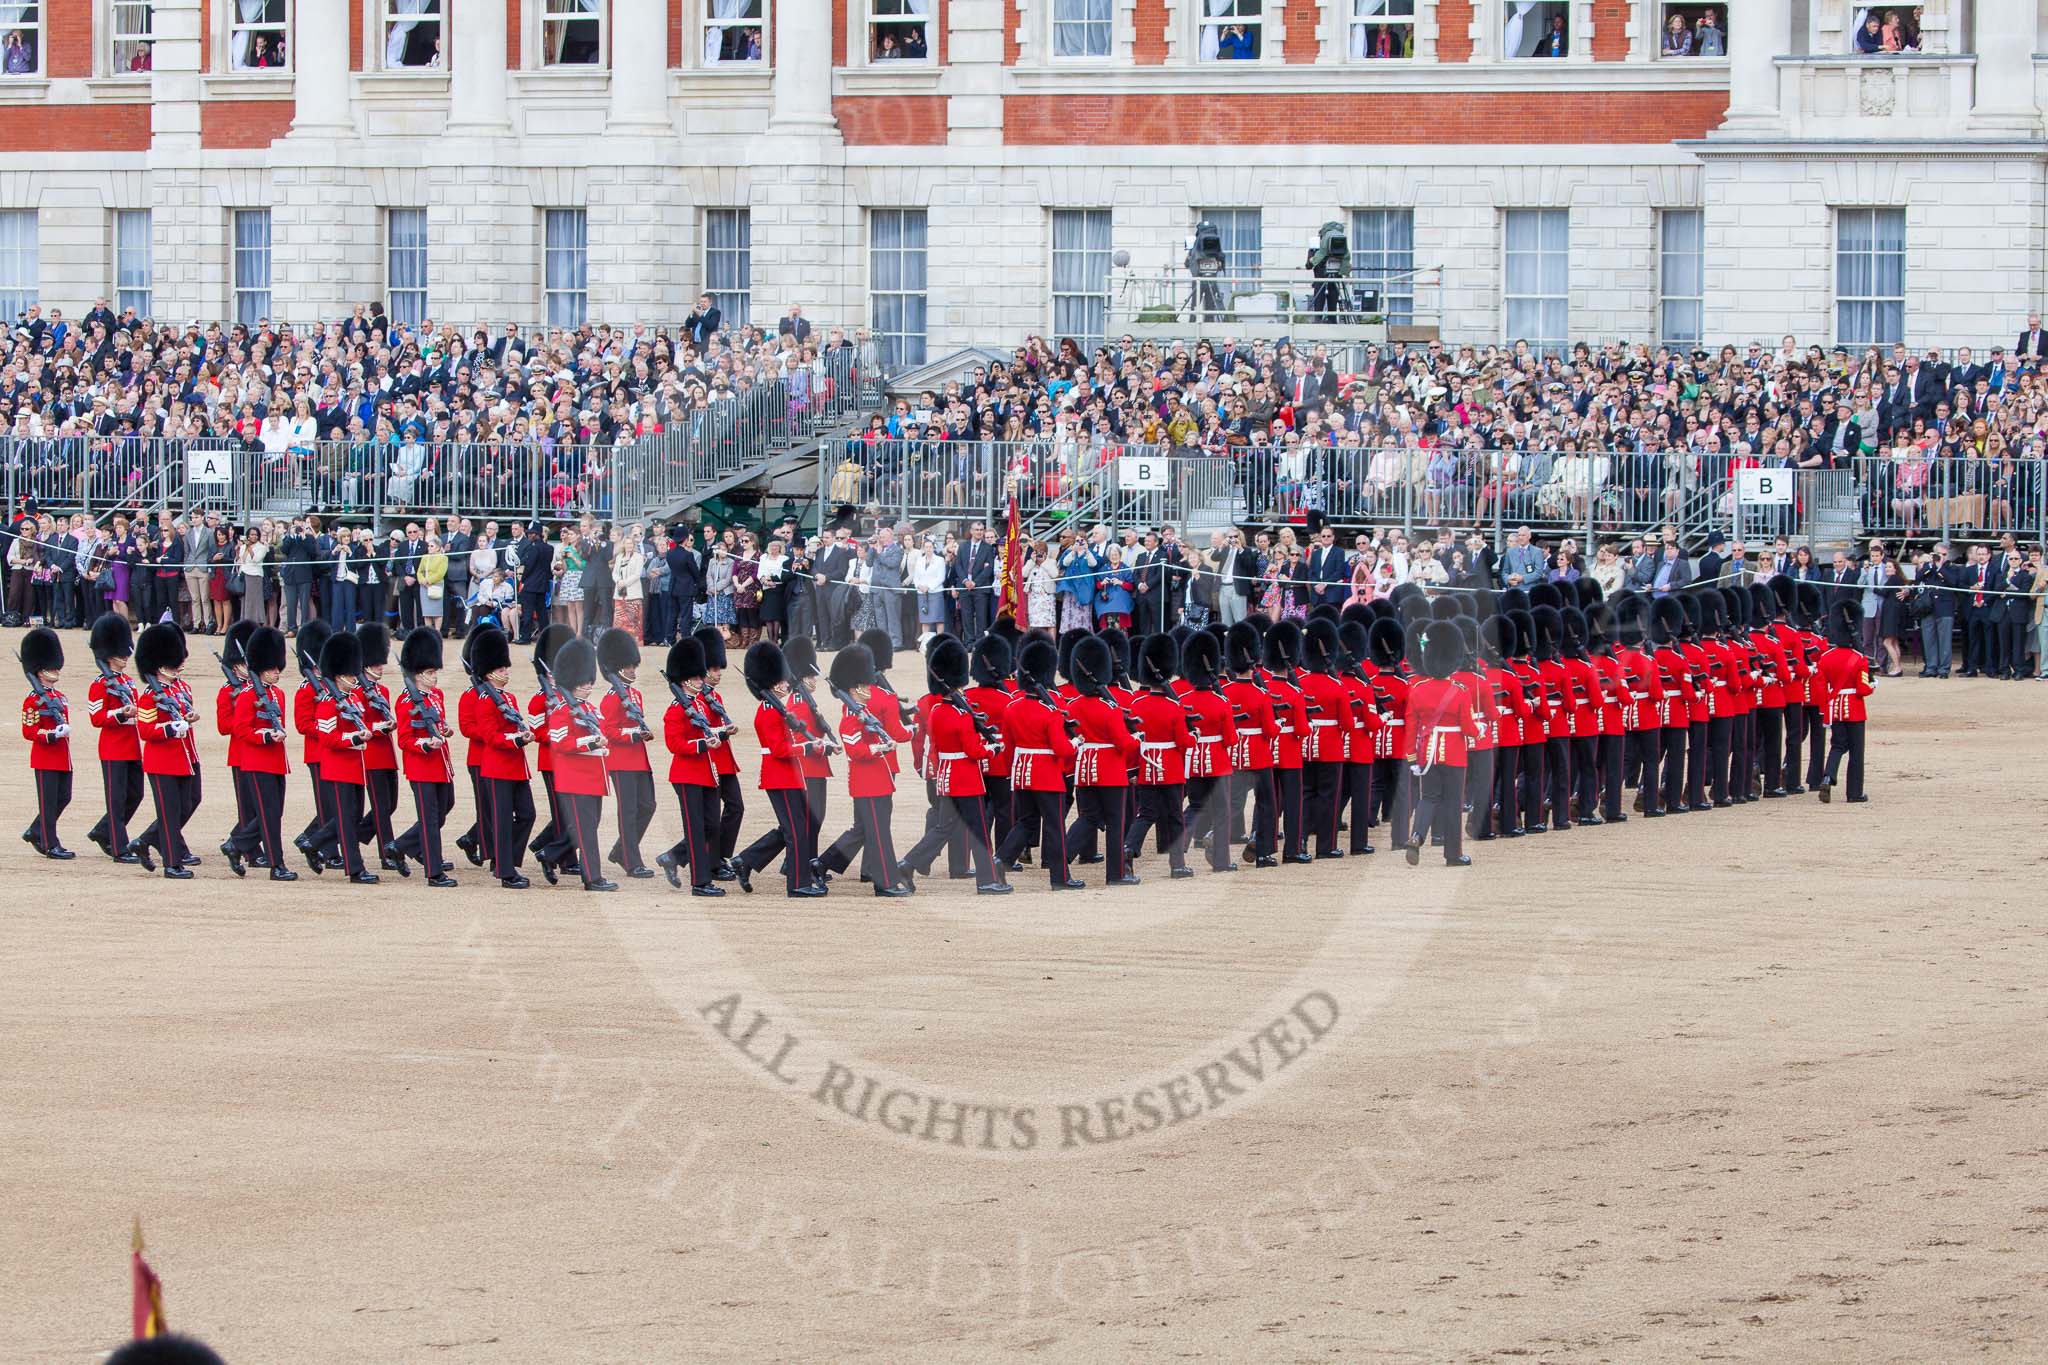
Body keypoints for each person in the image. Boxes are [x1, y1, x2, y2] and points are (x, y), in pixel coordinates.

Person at [898, 637, 1009, 894]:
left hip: (946, 776)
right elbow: (973, 751)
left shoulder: (937, 710)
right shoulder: (962, 716)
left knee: (943, 827)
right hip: (966, 779)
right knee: (980, 829)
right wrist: (993, 749)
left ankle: (907, 864)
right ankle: (987, 880)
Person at [818, 643, 913, 896]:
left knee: (869, 830)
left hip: (878, 778)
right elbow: (856, 751)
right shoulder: (852, 715)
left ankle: (821, 864)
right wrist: (882, 747)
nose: (868, 688)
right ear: (855, 687)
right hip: (866, 780)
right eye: (863, 685)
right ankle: (884, 883)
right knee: (879, 833)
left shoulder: (862, 709)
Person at [740, 640, 830, 897]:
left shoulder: (777, 709)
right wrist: (808, 748)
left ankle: (747, 862)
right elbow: (780, 750)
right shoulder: (769, 711)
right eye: (781, 680)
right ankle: (797, 884)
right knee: (795, 832)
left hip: (789, 775)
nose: (786, 683)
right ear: (771, 682)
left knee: (796, 829)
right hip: (779, 775)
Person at [992, 637, 1081, 888]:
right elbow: (1062, 748)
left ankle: (1001, 858)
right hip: (1046, 774)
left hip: (1021, 771)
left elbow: (1009, 748)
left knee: (1026, 822)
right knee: (1053, 826)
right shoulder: (1051, 711)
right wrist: (1077, 743)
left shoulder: (1012, 707)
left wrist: (1012, 772)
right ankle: (1060, 877)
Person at [654, 635, 731, 896]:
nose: (702, 680)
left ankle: (674, 858)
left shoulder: (699, 704)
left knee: (711, 825)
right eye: (697, 678)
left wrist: (720, 733)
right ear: (686, 680)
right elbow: (674, 744)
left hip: (706, 773)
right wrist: (702, 745)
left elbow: (706, 731)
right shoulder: (677, 709)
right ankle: (700, 882)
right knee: (696, 829)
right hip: (687, 775)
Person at [540, 637, 618, 891]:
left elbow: (604, 729)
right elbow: (560, 743)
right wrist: (591, 742)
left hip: (594, 776)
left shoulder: (590, 709)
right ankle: (592, 878)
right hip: (576, 778)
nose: (588, 685)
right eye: (584, 682)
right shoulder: (562, 710)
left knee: (589, 827)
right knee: (586, 831)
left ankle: (550, 854)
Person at [463, 625, 538, 888]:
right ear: (488, 671)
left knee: (528, 814)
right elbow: (491, 736)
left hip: (516, 766)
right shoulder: (484, 700)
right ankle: (506, 872)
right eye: (501, 668)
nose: (506, 672)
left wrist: (523, 734)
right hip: (496, 767)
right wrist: (516, 739)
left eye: (506, 668)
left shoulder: (511, 698)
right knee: (503, 821)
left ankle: (508, 861)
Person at [1402, 620, 1481, 867]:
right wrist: (1480, 731)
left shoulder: (1418, 690)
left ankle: (1417, 835)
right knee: (1453, 802)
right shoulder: (1460, 691)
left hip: (1428, 753)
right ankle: (1453, 854)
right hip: (1455, 752)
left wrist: (1412, 757)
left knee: (1429, 797)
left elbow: (1411, 728)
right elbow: (1468, 728)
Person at [391, 626, 459, 888]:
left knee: (443, 810)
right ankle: (434, 871)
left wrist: (444, 731)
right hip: (421, 766)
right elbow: (405, 739)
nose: (434, 677)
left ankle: (402, 845)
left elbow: (438, 723)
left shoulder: (437, 696)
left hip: (441, 765)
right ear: (417, 675)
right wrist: (425, 744)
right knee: (430, 820)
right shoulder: (406, 701)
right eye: (430, 673)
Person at [227, 625, 295, 880]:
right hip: (256, 761)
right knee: (269, 816)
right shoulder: (246, 696)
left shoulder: (277, 694)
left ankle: (236, 844)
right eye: (271, 669)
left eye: (277, 668)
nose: (276, 673)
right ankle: (277, 865)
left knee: (274, 814)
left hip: (276, 761)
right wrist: (266, 736)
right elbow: (241, 729)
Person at [133, 622, 199, 878]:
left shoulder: (178, 690)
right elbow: (146, 731)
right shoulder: (149, 697)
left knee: (183, 808)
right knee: (169, 813)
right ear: (160, 667)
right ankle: (172, 864)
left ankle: (147, 841)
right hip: (161, 762)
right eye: (172, 664)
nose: (178, 667)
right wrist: (171, 729)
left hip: (181, 757)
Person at [596, 627, 656, 879]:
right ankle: (632, 861)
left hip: (639, 759)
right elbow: (608, 730)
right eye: (629, 666)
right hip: (621, 761)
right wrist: (633, 735)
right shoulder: (611, 698)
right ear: (617, 667)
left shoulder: (635, 694)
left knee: (648, 806)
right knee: (628, 811)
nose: (633, 670)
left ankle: (621, 850)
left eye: (633, 665)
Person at [84, 613, 144, 863]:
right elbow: (96, 717)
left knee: (135, 794)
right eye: (121, 655)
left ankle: (102, 831)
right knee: (117, 799)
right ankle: (120, 847)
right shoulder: (100, 685)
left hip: (131, 745)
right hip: (112, 748)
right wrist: (120, 713)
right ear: (109, 656)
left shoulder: (127, 682)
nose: (126, 659)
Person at [354, 624, 406, 876]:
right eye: (375, 664)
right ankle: (387, 853)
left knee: (390, 805)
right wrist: (378, 727)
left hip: (387, 754)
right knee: (382, 807)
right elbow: (357, 722)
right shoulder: (357, 691)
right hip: (371, 755)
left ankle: (350, 836)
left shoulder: (382, 690)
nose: (379, 668)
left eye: (380, 664)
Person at [18, 625, 72, 859]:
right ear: (40, 671)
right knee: (48, 803)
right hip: (45, 756)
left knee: (63, 797)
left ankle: (36, 830)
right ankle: (50, 843)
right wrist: (51, 735)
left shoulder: (59, 697)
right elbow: (29, 730)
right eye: (49, 667)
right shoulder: (33, 701)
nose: (54, 670)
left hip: (62, 756)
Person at [1815, 599, 1874, 803]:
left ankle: (1827, 776)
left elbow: (1821, 687)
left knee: (1838, 746)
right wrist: (1873, 686)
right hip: (1854, 708)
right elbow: (1862, 689)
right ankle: (1854, 793)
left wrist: (1825, 709)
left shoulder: (1825, 657)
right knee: (1856, 752)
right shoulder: (1859, 658)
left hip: (1835, 708)